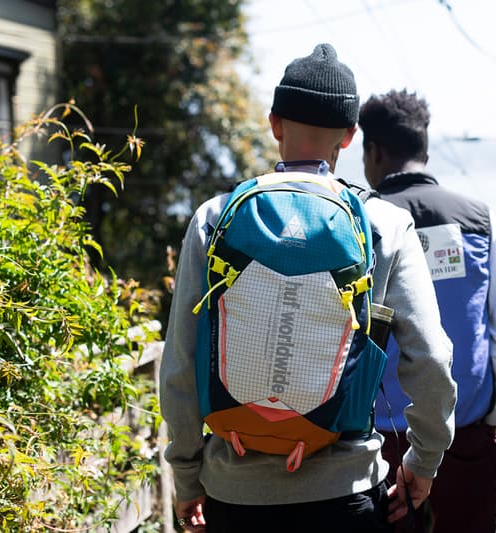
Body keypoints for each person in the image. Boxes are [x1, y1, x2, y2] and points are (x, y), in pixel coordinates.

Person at [159, 45, 456, 532]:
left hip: (235, 496)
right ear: (350, 135)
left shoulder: (214, 218)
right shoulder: (384, 225)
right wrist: (422, 464)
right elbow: (430, 359)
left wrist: (188, 476)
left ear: (274, 123)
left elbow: (180, 365)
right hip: (346, 494)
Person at [359, 89, 496, 533]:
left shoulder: (357, 222)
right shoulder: (480, 219)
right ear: (425, 151)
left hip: (378, 445)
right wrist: (491, 415)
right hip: (465, 435)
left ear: (371, 151)